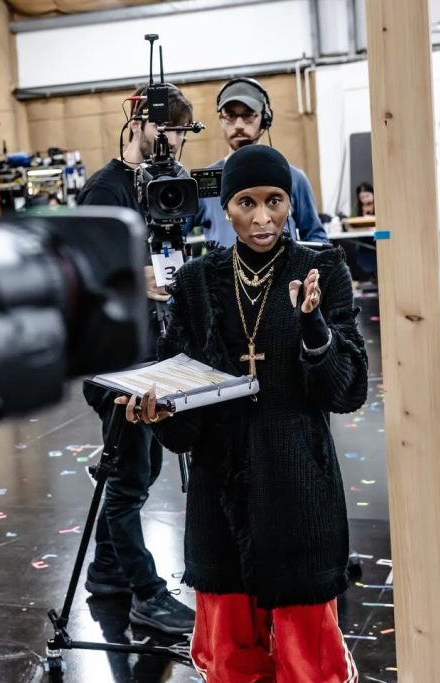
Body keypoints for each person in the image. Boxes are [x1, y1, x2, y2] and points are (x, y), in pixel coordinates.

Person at [120, 145, 368, 680]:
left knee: (308, 662)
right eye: (246, 203)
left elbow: (347, 391)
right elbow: (184, 424)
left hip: (298, 485)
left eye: (274, 201)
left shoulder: (321, 268)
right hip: (220, 494)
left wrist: (315, 328)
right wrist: (160, 413)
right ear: (225, 208)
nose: (262, 218)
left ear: (291, 203)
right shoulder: (196, 282)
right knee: (232, 659)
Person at [74, 83, 197, 635]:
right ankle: (147, 593)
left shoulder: (166, 183)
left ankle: (106, 573)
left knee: (141, 470)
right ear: (140, 124)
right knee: (127, 481)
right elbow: (83, 274)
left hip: (153, 351)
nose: (175, 142)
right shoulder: (106, 189)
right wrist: (133, 279)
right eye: (167, 130)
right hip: (115, 359)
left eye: (182, 134)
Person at [191, 78, 327, 246]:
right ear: (221, 119)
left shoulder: (294, 178)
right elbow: (174, 237)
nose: (239, 125)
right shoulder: (203, 183)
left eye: (248, 115)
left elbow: (316, 237)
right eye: (230, 116)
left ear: (265, 118)